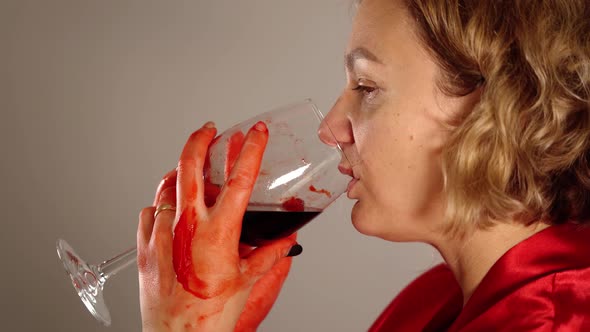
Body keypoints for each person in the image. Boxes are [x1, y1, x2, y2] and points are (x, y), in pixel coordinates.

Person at [137, 0, 590, 330]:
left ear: (496, 106)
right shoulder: (433, 301)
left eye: (367, 87)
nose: (330, 128)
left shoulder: (550, 321)